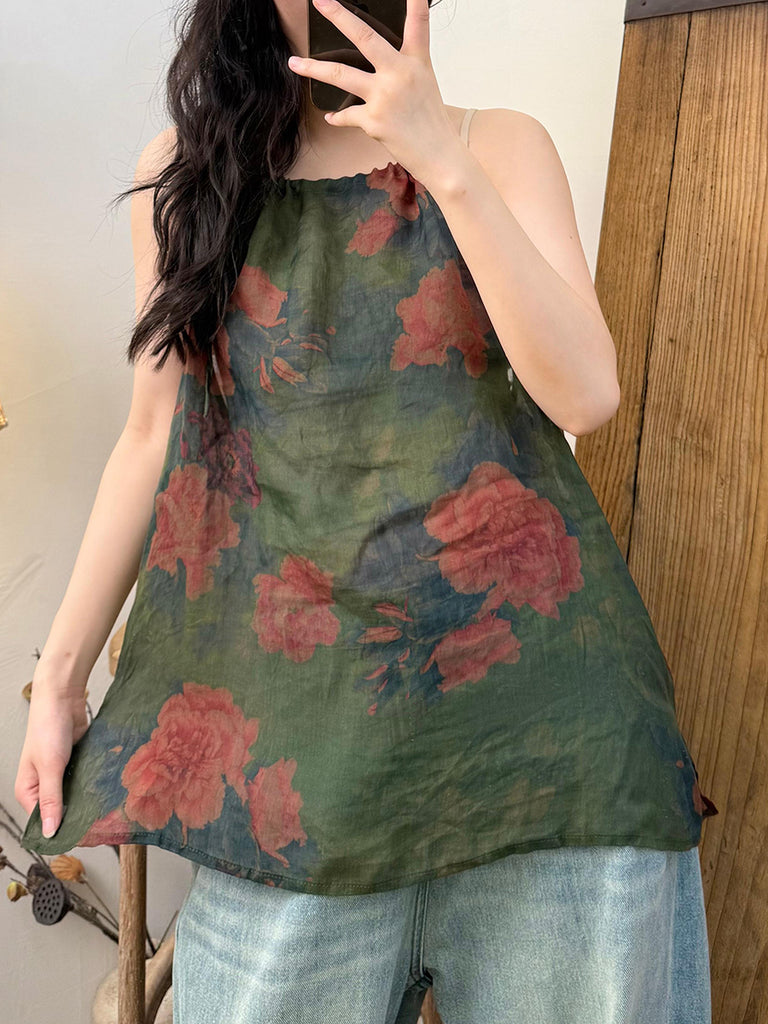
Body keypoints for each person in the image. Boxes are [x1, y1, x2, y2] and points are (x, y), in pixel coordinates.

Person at [16, 0, 718, 1021]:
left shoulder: (498, 145)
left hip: (549, 750)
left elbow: (586, 396)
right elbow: (151, 435)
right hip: (301, 765)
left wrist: (442, 160)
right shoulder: (190, 177)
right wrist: (59, 679)